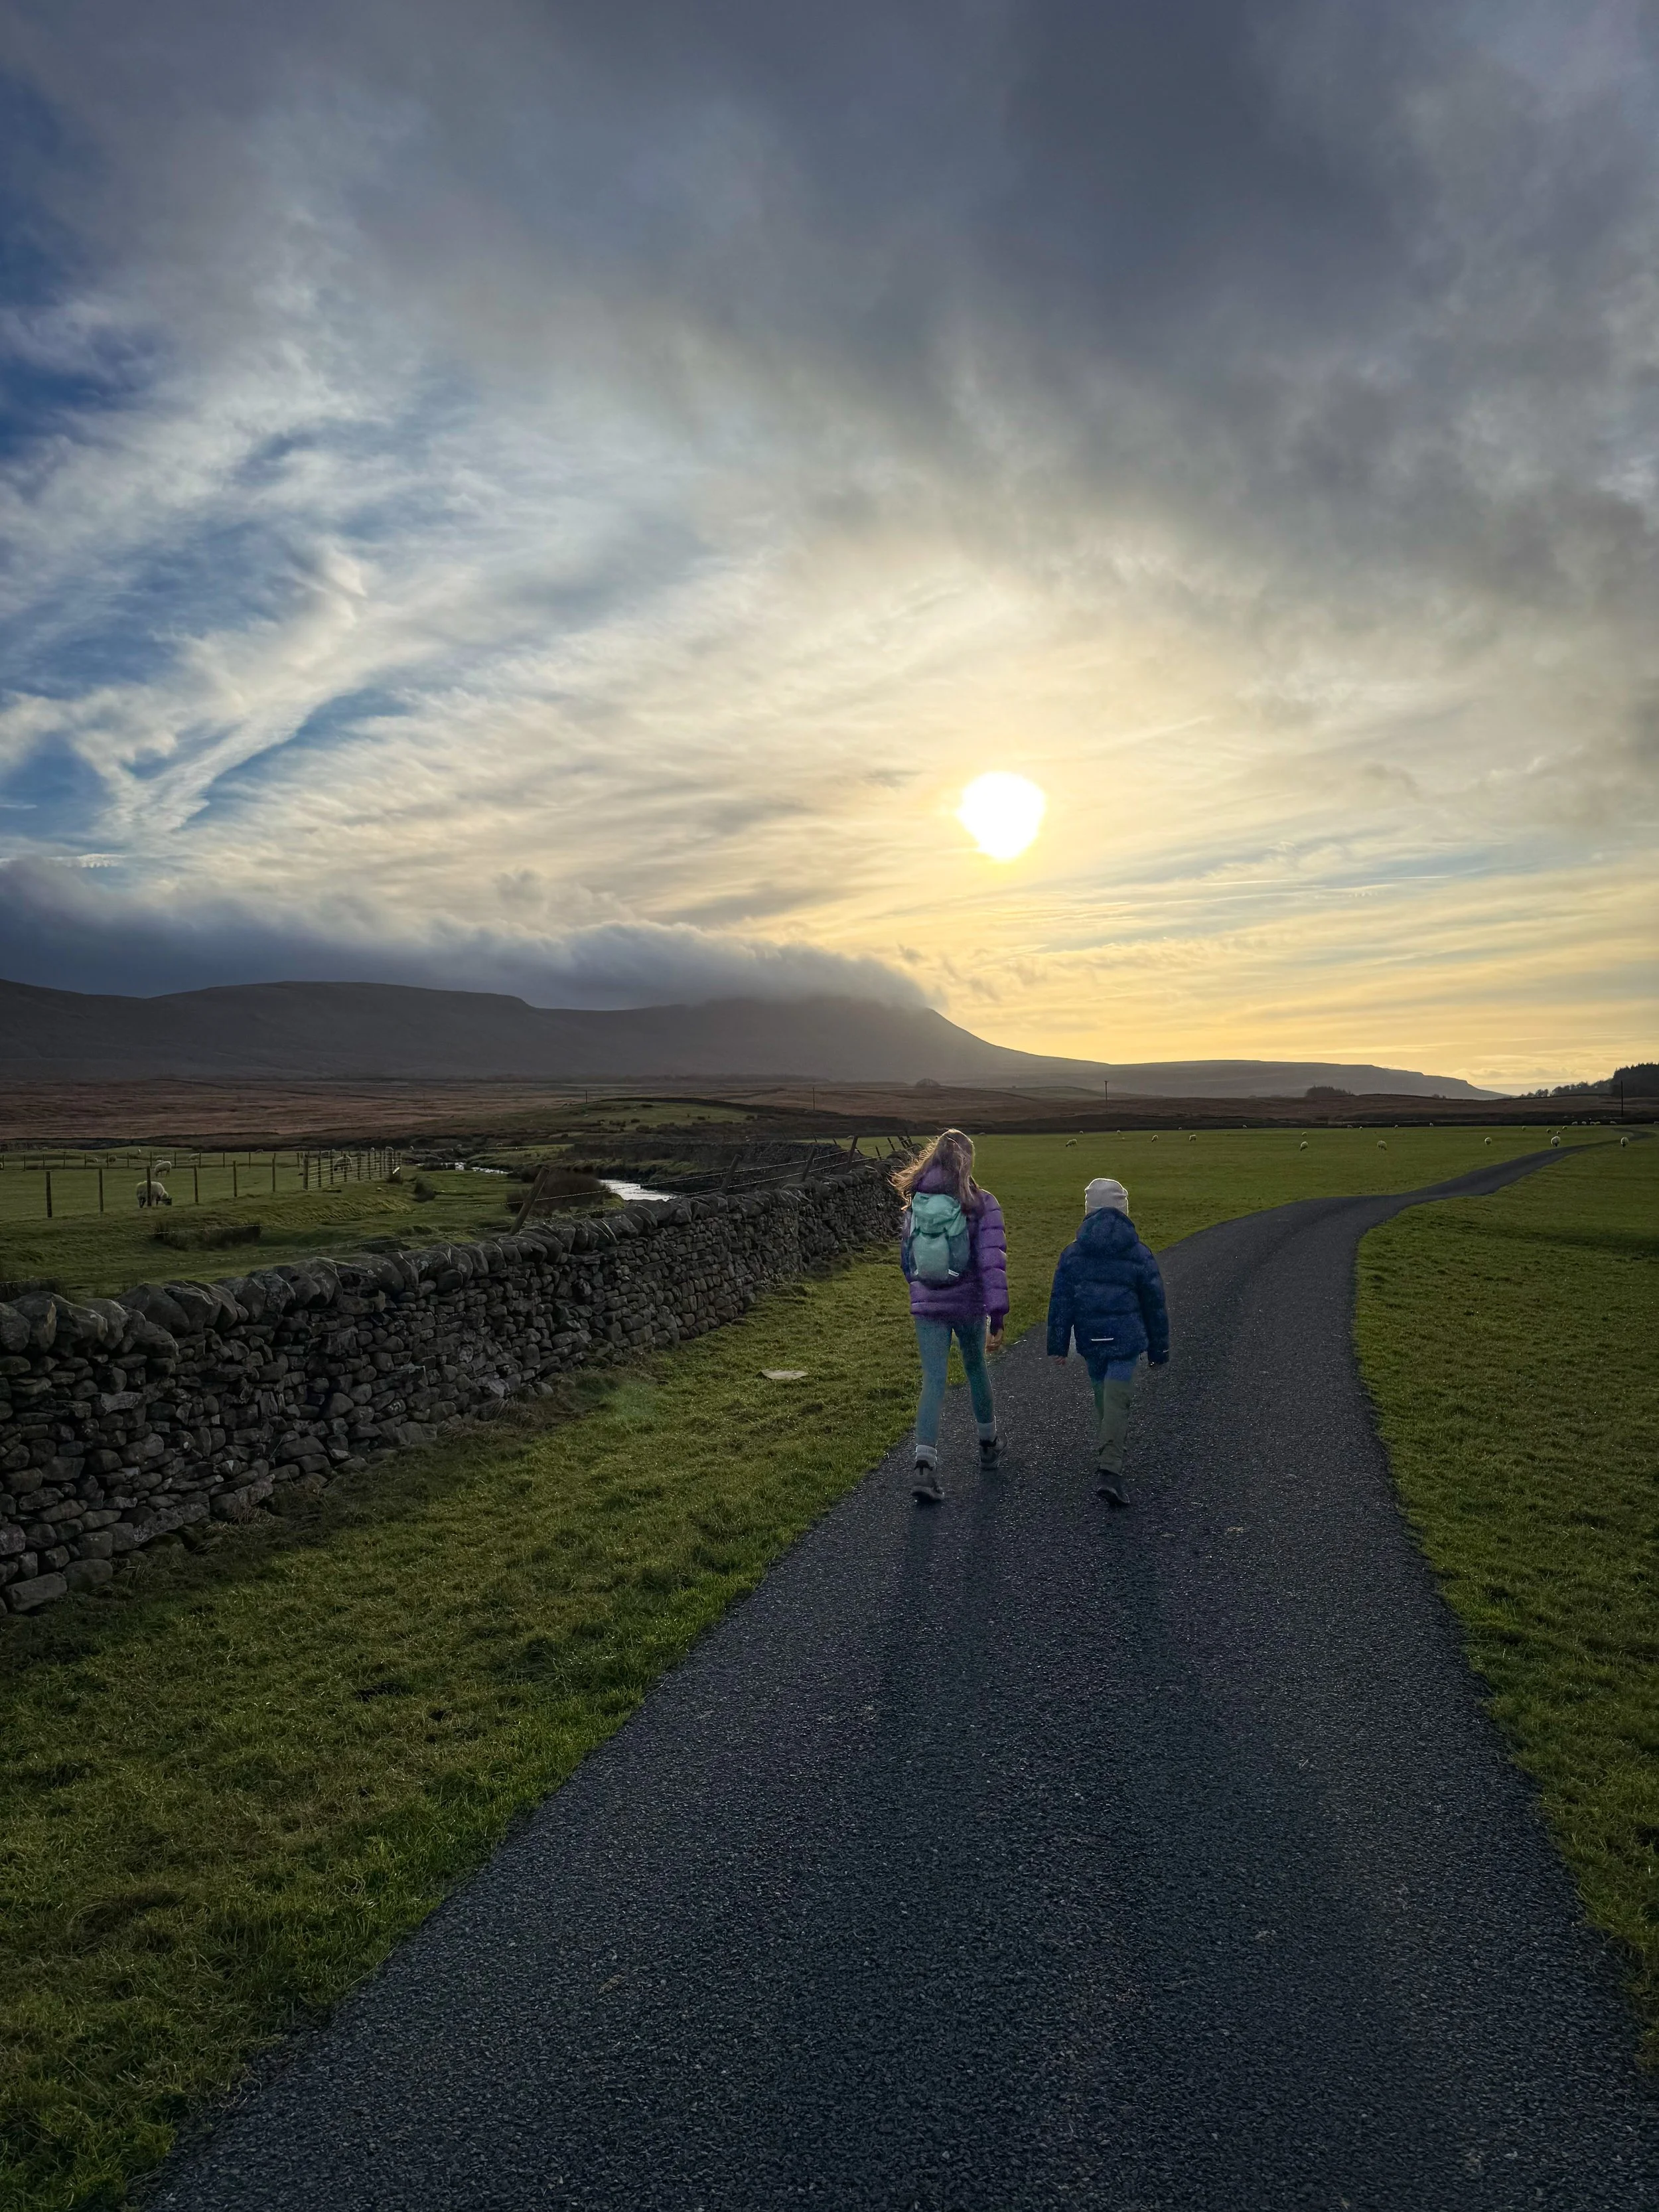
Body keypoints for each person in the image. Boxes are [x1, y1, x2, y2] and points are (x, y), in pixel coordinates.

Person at [894, 1128, 1008, 1504]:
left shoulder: (916, 1202)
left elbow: (907, 1261)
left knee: (934, 1380)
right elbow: (992, 1265)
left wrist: (923, 1290)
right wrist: (999, 1316)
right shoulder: (981, 1202)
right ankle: (988, 1444)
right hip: (968, 1304)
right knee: (975, 1369)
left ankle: (924, 1466)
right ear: (968, 1160)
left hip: (928, 1305)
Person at [1046, 1176, 1169, 1507]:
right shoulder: (1139, 1254)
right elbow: (1154, 1304)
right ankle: (1110, 1469)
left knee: (1104, 1394)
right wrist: (1159, 1349)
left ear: (1088, 1209)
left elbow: (1061, 1303)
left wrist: (1058, 1345)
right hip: (1127, 1339)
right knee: (1118, 1397)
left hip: (1092, 1338)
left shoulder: (1072, 1254)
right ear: (1123, 1209)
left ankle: (1108, 1453)